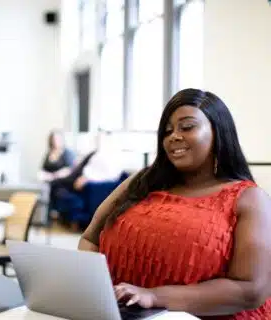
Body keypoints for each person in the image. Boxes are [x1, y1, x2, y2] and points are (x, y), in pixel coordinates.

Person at [78, 88, 271, 319]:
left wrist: (154, 296)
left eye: (187, 127)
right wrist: (92, 289)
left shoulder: (249, 198)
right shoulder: (141, 182)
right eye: (167, 131)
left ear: (219, 132)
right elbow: (90, 239)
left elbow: (251, 290)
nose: (174, 136)